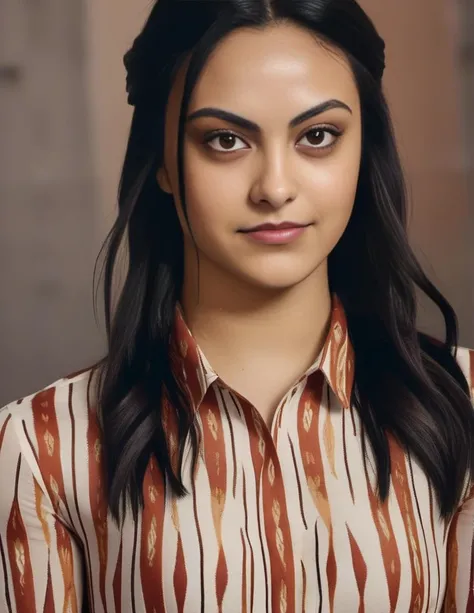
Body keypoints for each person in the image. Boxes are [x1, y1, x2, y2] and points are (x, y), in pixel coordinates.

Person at [1, 0, 473, 611]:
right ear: (163, 162)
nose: (275, 187)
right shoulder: (42, 448)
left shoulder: (461, 408)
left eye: (318, 137)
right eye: (225, 140)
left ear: (366, 148)